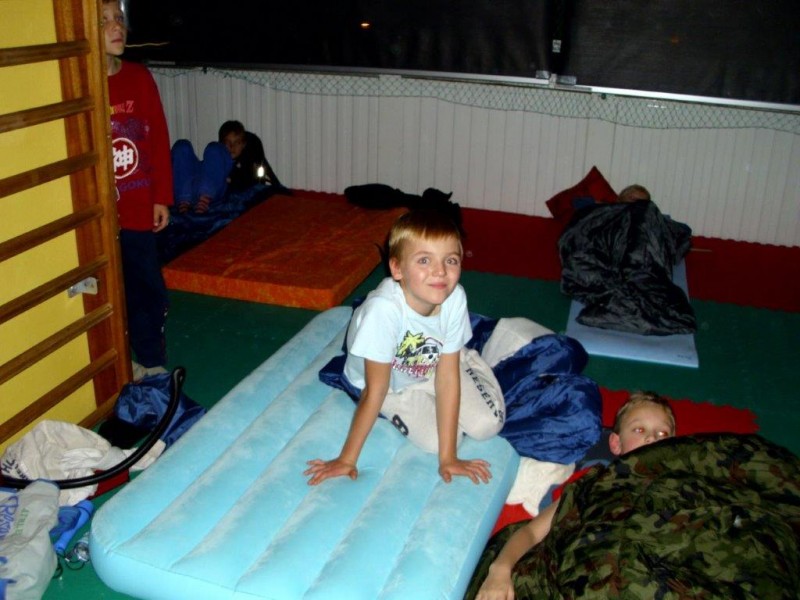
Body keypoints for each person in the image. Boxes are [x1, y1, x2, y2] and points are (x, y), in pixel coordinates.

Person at [305, 209, 506, 486]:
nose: (440, 271)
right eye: (424, 260)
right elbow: (375, 390)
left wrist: (449, 458)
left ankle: (465, 357)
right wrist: (347, 459)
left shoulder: (453, 297)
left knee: (488, 425)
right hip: (389, 383)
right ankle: (443, 364)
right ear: (397, 269)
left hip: (434, 363)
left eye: (450, 260)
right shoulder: (383, 311)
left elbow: (447, 377)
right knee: (436, 441)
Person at [472, 391, 676, 600]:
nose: (652, 438)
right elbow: (533, 532)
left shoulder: (681, 490)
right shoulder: (595, 481)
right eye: (639, 430)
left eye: (663, 433)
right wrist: (500, 569)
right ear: (616, 443)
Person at [104, 0, 172, 378]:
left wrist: (161, 197)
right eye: (104, 22)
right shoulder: (85, 87)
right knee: (111, 292)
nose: (117, 27)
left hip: (138, 206)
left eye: (119, 18)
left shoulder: (139, 78)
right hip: (103, 215)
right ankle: (113, 359)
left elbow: (158, 138)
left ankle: (150, 360)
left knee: (148, 288)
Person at [170, 120, 284, 214]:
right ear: (222, 143)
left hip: (212, 192)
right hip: (193, 184)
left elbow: (248, 183)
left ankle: (203, 199)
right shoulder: (218, 153)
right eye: (228, 143)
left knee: (214, 149)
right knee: (181, 146)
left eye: (237, 143)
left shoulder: (244, 164)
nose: (232, 147)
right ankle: (183, 201)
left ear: (243, 145)